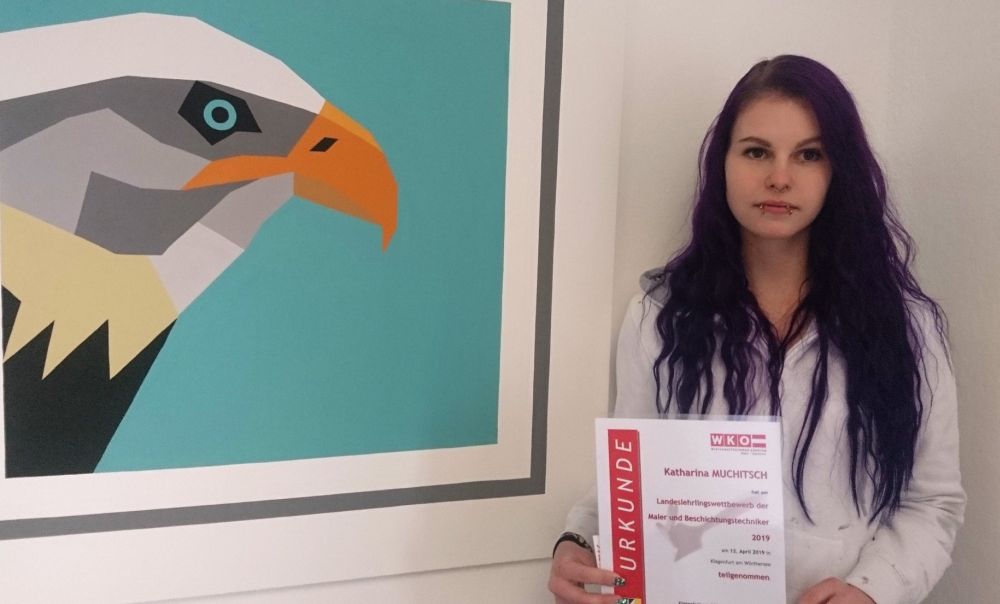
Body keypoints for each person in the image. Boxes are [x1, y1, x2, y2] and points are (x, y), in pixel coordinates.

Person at [548, 55, 964, 604]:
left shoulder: (908, 328)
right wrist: (577, 542)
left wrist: (871, 591)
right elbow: (632, 482)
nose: (779, 178)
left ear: (837, 170)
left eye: (809, 154)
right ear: (722, 162)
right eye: (756, 151)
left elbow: (932, 502)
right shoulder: (660, 316)